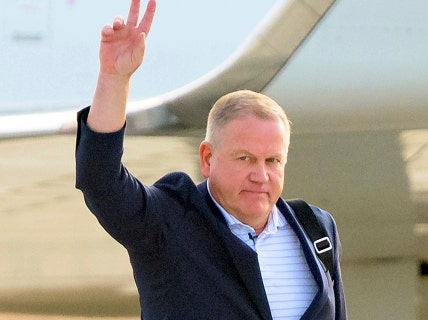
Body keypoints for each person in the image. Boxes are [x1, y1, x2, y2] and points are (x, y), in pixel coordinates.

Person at [74, 0, 346, 319]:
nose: (260, 175)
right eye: (245, 158)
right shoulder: (169, 223)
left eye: (272, 161)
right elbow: (101, 181)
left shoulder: (317, 229)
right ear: (207, 158)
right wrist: (113, 78)